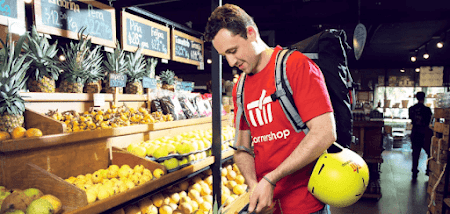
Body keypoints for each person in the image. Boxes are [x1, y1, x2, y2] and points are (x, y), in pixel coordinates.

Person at [205, 4, 336, 214]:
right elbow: (242, 148)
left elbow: (325, 132)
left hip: (306, 205)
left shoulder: (295, 66)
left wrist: (271, 179)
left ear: (251, 33)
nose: (230, 61)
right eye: (224, 55)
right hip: (269, 206)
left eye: (233, 51)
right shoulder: (240, 87)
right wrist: (254, 185)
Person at [408, 91, 432, 179]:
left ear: (416, 97)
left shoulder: (411, 109)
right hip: (425, 133)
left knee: (415, 153)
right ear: (424, 98)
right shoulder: (427, 110)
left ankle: (414, 171)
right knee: (429, 153)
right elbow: (429, 121)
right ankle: (428, 170)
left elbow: (411, 119)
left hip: (415, 132)